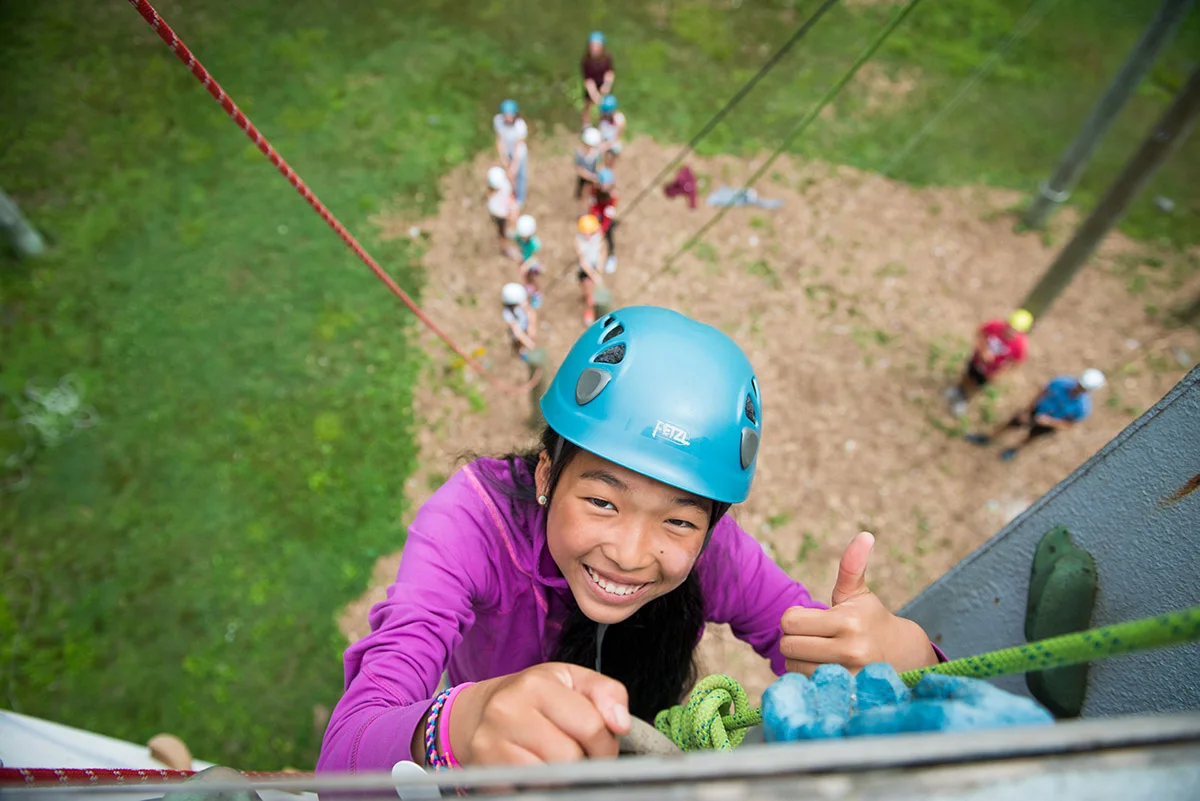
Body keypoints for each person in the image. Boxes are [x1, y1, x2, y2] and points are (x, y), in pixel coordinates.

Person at [317, 305, 941, 772]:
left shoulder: (712, 555)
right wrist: (462, 723)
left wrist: (908, 664)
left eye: (678, 519)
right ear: (546, 474)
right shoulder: (470, 525)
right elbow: (347, 747)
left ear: (710, 524)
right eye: (602, 500)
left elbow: (812, 649)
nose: (631, 554)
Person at [965, 369, 1106, 461]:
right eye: (1079, 384)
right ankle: (988, 438)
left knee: (1031, 438)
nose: (1078, 388)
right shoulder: (1061, 382)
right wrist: (1028, 411)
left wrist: (1050, 422)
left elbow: (1069, 424)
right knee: (1012, 423)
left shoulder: (1082, 408)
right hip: (1036, 411)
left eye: (1082, 388)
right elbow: (1041, 393)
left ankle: (1013, 450)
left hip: (1048, 423)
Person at [946, 309, 1033, 417]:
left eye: (1015, 330)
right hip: (977, 360)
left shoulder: (1019, 345)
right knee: (968, 374)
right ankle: (958, 390)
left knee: (977, 385)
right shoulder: (995, 326)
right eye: (1009, 326)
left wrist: (1000, 373)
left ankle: (964, 399)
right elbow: (980, 333)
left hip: (991, 371)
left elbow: (1016, 362)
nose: (1010, 331)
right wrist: (983, 349)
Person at [494, 99, 529, 208]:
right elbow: (499, 140)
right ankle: (507, 195)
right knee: (507, 174)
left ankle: (520, 199)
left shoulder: (520, 126)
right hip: (507, 151)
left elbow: (518, 147)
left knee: (520, 175)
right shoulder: (498, 121)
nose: (507, 118)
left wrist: (514, 165)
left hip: (519, 154)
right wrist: (503, 158)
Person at [575, 214, 607, 326]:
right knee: (589, 293)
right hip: (586, 270)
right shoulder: (578, 240)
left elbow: (603, 250)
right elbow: (582, 262)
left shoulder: (598, 236)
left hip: (595, 267)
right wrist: (594, 276)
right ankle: (589, 311)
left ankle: (593, 309)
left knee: (594, 293)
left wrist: (600, 265)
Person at [580, 31, 615, 129]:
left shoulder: (607, 57)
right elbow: (588, 80)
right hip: (591, 85)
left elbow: (610, 72)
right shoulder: (586, 61)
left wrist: (607, 84)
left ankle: (603, 125)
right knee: (588, 105)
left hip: (603, 83)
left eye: (596, 46)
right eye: (592, 46)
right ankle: (586, 125)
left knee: (605, 105)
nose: (594, 49)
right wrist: (594, 94)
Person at [589, 168, 619, 275]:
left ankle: (611, 255)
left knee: (609, 236)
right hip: (598, 214)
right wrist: (594, 221)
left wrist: (603, 229)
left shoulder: (613, 196)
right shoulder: (594, 189)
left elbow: (608, 215)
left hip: (606, 216)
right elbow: (593, 206)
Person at [485, 166, 518, 258]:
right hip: (501, 216)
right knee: (502, 233)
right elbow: (495, 212)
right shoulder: (492, 200)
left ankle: (510, 232)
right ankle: (505, 249)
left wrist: (511, 207)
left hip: (507, 210)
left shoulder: (504, 184)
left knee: (509, 227)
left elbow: (509, 193)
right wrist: (507, 215)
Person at [500, 282, 537, 360]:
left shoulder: (522, 304)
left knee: (527, 338)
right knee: (519, 343)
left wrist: (531, 326)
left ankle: (523, 348)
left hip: (525, 326)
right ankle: (521, 351)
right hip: (518, 332)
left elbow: (531, 312)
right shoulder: (507, 313)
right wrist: (529, 344)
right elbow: (517, 332)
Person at [513, 214, 543, 309]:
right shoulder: (519, 237)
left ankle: (537, 293)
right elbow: (518, 247)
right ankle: (529, 287)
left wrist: (526, 266)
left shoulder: (535, 243)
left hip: (533, 264)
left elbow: (535, 257)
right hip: (524, 261)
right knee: (526, 277)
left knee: (533, 278)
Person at [575, 128, 604, 212]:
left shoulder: (596, 154)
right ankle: (583, 214)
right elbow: (579, 170)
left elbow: (599, 166)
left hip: (593, 181)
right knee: (583, 197)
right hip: (585, 181)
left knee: (592, 198)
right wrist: (591, 177)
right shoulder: (580, 154)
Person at [597, 95, 626, 168]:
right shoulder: (602, 118)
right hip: (604, 140)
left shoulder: (619, 119)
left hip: (612, 142)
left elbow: (617, 138)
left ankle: (610, 167)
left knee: (616, 148)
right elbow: (600, 131)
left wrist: (606, 146)